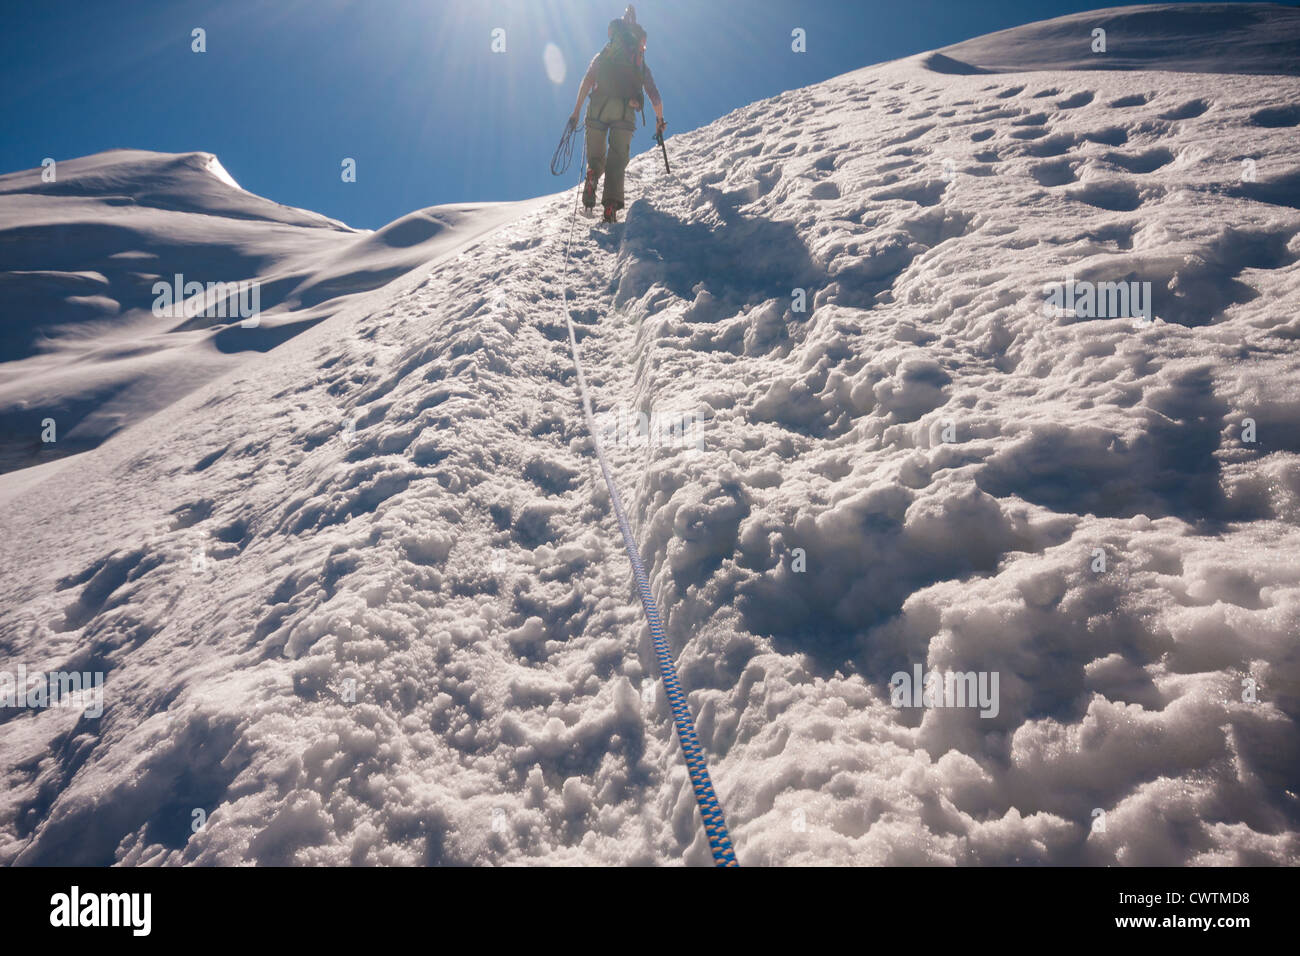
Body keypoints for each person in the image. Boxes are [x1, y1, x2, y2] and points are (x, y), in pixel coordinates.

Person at [567, 5, 666, 223]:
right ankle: (610, 206)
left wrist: (575, 112)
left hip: (598, 107)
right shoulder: (640, 63)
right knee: (617, 159)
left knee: (596, 158)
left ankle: (593, 174)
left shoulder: (604, 54)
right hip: (624, 110)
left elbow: (587, 81)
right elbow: (655, 96)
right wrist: (659, 121)